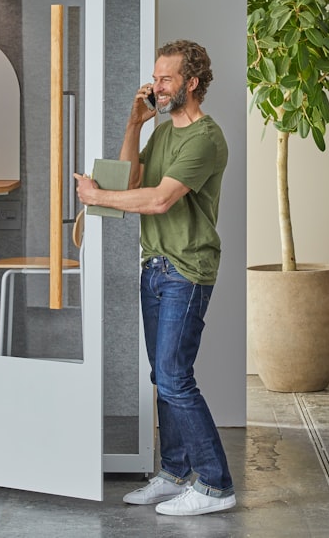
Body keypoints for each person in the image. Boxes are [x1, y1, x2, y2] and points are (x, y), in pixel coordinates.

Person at [74, 40, 234, 515]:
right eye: (155, 77)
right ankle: (174, 472)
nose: (156, 86)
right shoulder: (163, 132)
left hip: (187, 269)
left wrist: (97, 199)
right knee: (162, 377)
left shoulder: (206, 138)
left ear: (192, 83)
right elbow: (132, 181)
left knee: (174, 377)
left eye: (166, 79)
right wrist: (134, 123)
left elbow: (159, 200)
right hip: (155, 266)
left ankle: (215, 485)